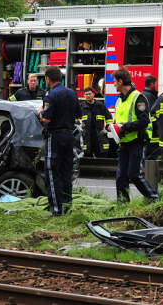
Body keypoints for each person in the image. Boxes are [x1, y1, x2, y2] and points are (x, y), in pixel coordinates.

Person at [108, 69, 159, 203]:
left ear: (120, 82)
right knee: (121, 177)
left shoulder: (138, 97)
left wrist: (124, 127)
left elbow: (143, 121)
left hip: (137, 141)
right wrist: (112, 127)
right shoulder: (119, 100)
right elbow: (118, 121)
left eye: (115, 82)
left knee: (134, 174)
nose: (114, 84)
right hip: (124, 142)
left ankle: (155, 199)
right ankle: (123, 205)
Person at [39, 66, 80, 215]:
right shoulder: (71, 93)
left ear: (48, 79)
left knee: (52, 172)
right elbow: (78, 115)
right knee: (66, 172)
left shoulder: (50, 96)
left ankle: (56, 210)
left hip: (54, 137)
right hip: (69, 137)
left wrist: (40, 113)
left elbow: (46, 119)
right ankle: (68, 207)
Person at [80, 87, 110, 157]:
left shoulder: (100, 106)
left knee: (102, 155)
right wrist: (79, 125)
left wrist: (107, 128)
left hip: (99, 135)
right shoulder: (81, 107)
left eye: (89, 94)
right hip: (87, 136)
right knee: (87, 156)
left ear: (93, 94)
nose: (88, 96)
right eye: (86, 94)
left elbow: (109, 117)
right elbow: (75, 118)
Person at [142, 75, 160, 160]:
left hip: (147, 129)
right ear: (151, 84)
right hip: (152, 129)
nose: (156, 85)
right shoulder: (149, 96)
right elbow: (153, 112)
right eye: (155, 83)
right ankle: (149, 170)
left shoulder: (143, 95)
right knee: (150, 153)